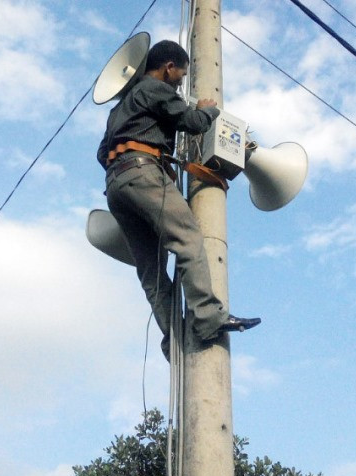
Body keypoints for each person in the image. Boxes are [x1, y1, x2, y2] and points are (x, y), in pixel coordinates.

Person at [98, 39, 260, 358]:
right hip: (144, 175)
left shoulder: (120, 108)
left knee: (151, 271)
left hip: (117, 187)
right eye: (181, 76)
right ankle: (208, 318)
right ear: (169, 68)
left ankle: (174, 336)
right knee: (187, 238)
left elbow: (102, 153)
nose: (180, 82)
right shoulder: (155, 88)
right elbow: (194, 123)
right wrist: (208, 109)